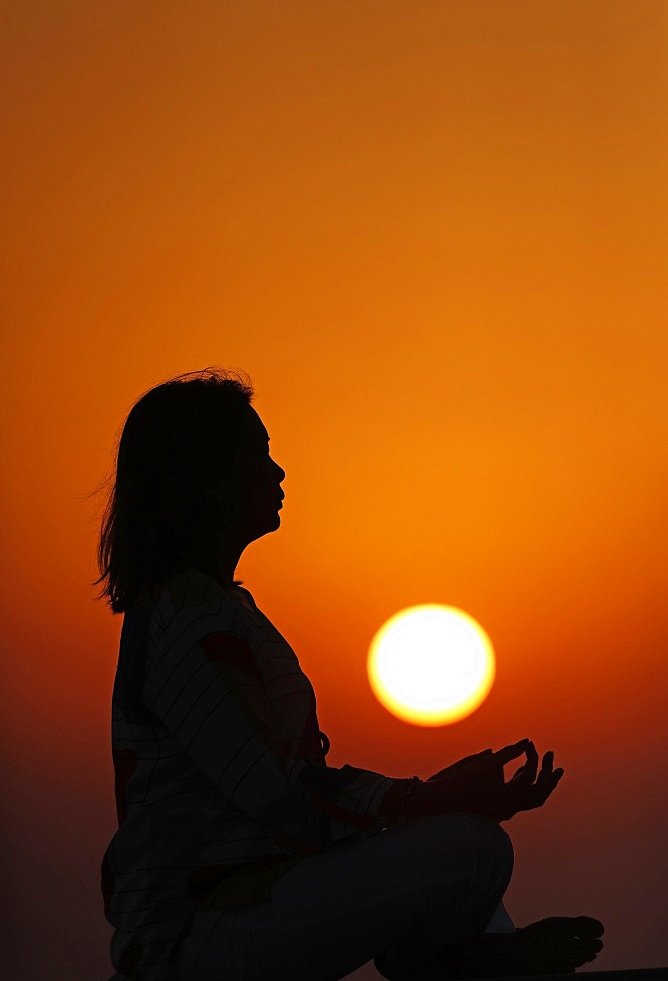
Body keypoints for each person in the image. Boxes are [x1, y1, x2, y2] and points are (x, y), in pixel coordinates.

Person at [94, 367, 604, 981]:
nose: (278, 473)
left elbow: (296, 789)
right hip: (201, 934)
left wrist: (429, 801)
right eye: (259, 454)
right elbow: (279, 797)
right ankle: (473, 963)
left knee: (460, 835)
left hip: (247, 904)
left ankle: (471, 958)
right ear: (204, 482)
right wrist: (424, 800)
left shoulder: (220, 609)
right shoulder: (189, 617)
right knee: (475, 848)